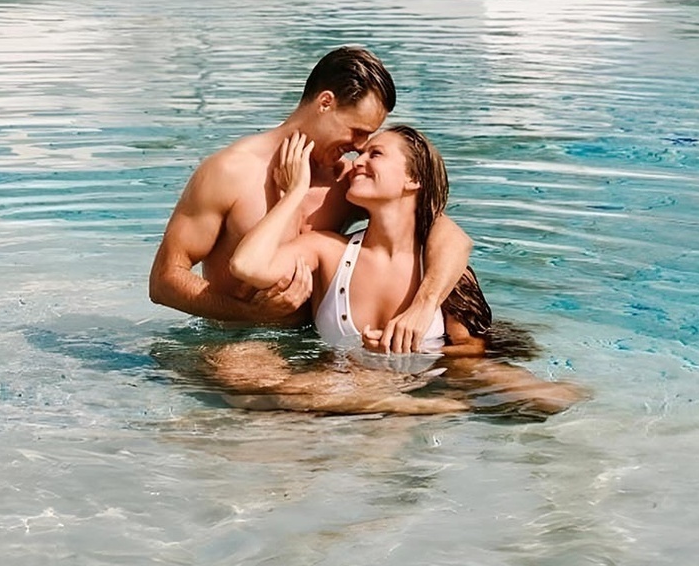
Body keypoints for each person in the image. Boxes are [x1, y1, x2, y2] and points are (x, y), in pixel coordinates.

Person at [207, 125, 586, 417]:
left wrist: (413, 354)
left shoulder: (442, 268)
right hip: (343, 384)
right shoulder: (328, 251)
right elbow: (247, 265)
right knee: (234, 363)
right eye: (361, 154)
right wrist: (294, 193)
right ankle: (408, 408)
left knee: (552, 398)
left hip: (371, 391)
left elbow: (470, 351)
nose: (358, 162)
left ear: (412, 179)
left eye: (376, 154)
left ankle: (394, 404)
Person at [148, 46, 472, 353]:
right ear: (325, 102)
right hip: (239, 341)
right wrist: (249, 314)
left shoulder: (346, 183)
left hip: (321, 345)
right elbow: (163, 281)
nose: (360, 147)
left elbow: (445, 232)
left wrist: (424, 304)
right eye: (357, 131)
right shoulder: (230, 172)